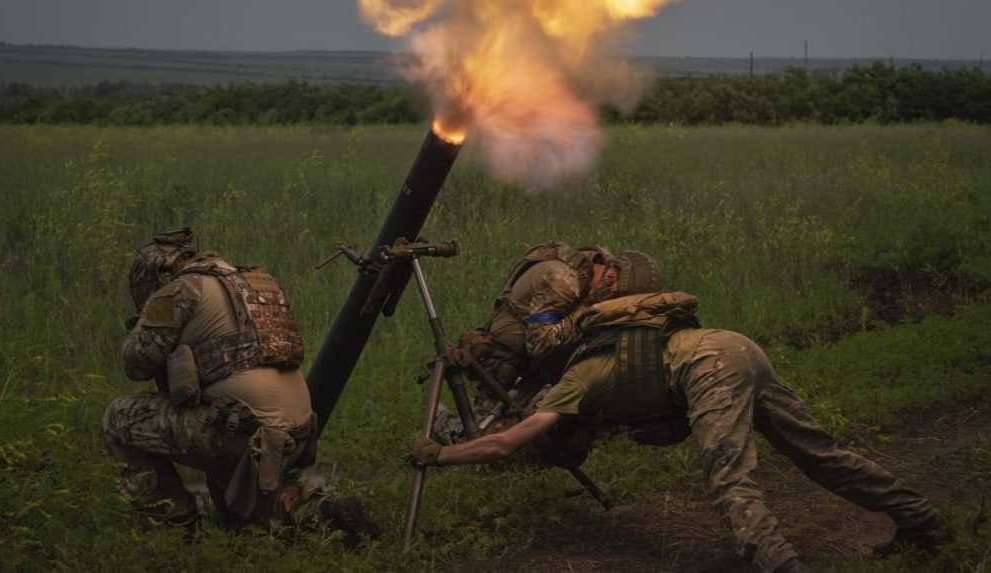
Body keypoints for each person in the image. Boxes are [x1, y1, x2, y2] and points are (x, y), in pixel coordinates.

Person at [411, 254, 951, 573]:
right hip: (735, 347)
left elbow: (509, 442)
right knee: (821, 455)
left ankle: (777, 563)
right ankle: (924, 521)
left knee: (729, 477)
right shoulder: (607, 354)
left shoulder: (576, 381)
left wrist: (440, 454)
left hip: (710, 367)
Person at [103, 228, 375, 538]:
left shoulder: (179, 290)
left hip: (243, 433)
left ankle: (170, 527)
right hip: (296, 432)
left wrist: (145, 319)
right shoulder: (252, 280)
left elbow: (135, 363)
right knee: (239, 522)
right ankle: (323, 510)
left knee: (119, 417)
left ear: (154, 276)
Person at [437, 243, 657, 443]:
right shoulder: (563, 281)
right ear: (610, 279)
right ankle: (443, 424)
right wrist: (586, 313)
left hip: (537, 354)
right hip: (508, 356)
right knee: (479, 434)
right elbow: (540, 343)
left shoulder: (597, 269)